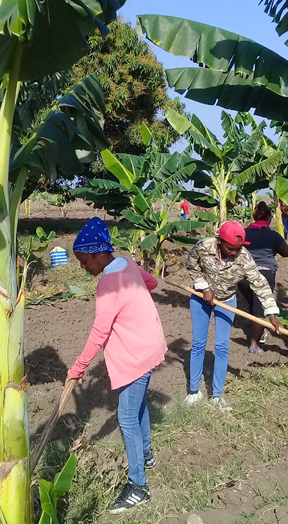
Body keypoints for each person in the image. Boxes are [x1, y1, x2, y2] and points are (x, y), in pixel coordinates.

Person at [66, 217, 167, 513]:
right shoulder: (126, 262)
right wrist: (134, 302)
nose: (84, 269)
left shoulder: (108, 284)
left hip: (135, 356)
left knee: (126, 418)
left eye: (85, 262)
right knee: (137, 406)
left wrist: (78, 368)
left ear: (99, 255)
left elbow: (100, 332)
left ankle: (138, 486)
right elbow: (152, 282)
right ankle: (146, 454)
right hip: (151, 346)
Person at [185, 221, 282, 411]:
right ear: (220, 241)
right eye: (230, 248)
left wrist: (271, 313)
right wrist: (204, 286)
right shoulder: (204, 247)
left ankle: (217, 396)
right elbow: (191, 265)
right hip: (200, 298)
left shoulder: (244, 257)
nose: (234, 252)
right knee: (198, 343)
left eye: (238, 249)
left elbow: (259, 284)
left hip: (227, 300)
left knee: (221, 346)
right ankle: (194, 392)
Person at [237, 202, 288, 353]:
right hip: (265, 274)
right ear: (269, 218)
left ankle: (260, 330)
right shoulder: (273, 235)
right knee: (259, 309)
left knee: (255, 303)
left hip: (243, 276)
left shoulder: (244, 232)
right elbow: (287, 253)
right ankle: (255, 344)